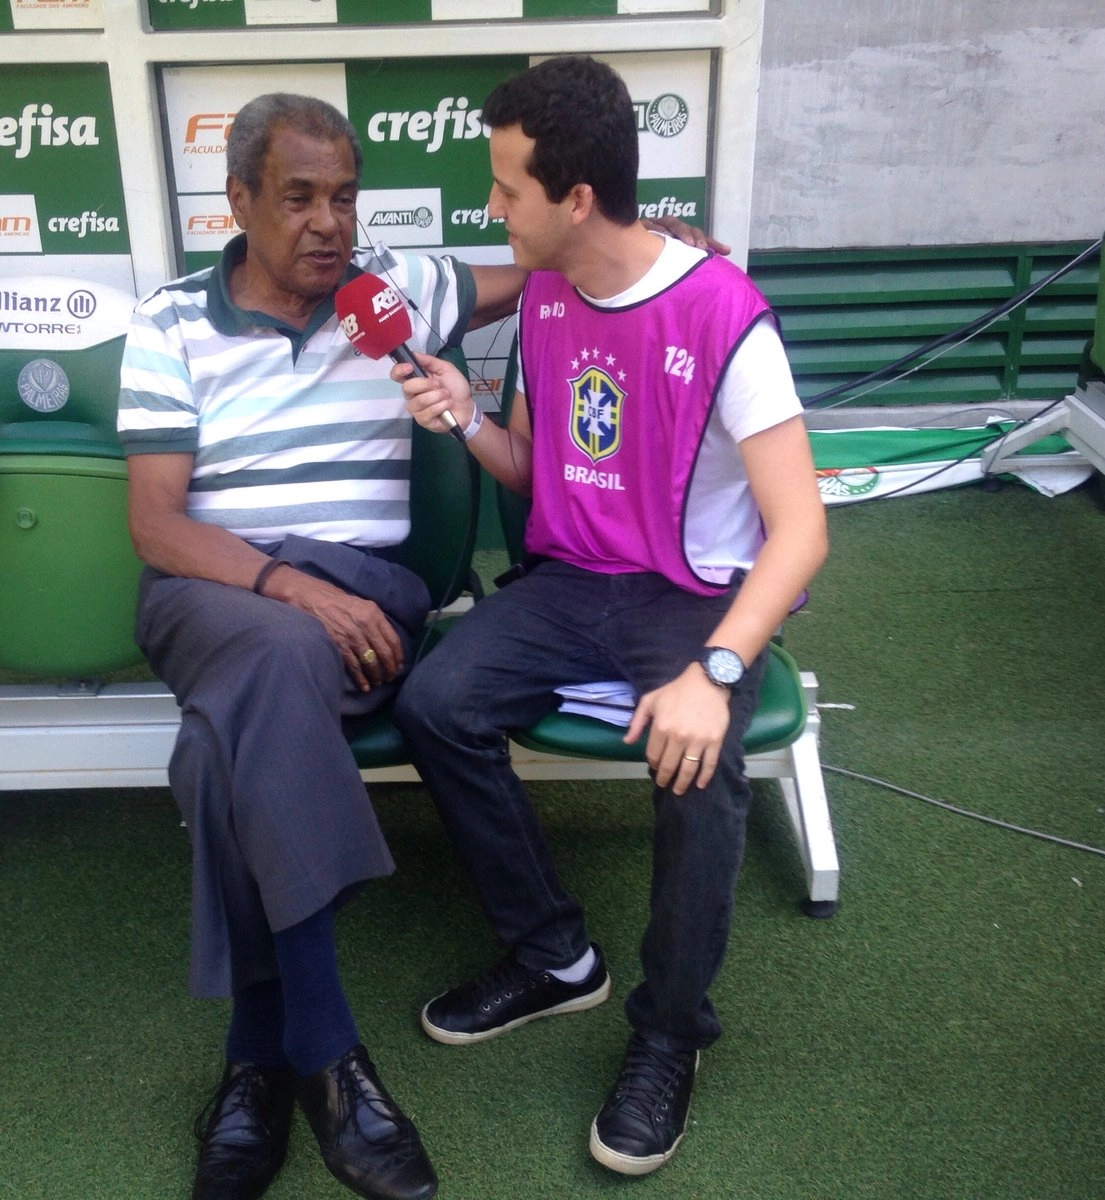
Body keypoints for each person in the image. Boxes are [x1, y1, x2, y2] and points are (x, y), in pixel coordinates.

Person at [117, 90, 717, 1200]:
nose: (326, 223)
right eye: (295, 198)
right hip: (220, 591)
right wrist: (287, 585)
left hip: (367, 600)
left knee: (216, 756)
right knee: (277, 652)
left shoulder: (396, 291)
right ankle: (330, 1057)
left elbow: (556, 262)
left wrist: (657, 243)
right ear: (237, 200)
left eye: (343, 196)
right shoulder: (169, 323)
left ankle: (256, 1061)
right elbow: (157, 526)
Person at [392, 55, 829, 1178]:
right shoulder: (544, 293)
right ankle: (554, 957)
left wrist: (716, 670)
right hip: (569, 584)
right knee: (437, 701)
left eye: (506, 189)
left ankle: (670, 1028)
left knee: (700, 756)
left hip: (686, 600)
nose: (492, 211)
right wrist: (461, 417)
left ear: (574, 197)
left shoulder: (725, 311)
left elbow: (802, 531)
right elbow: (539, 474)